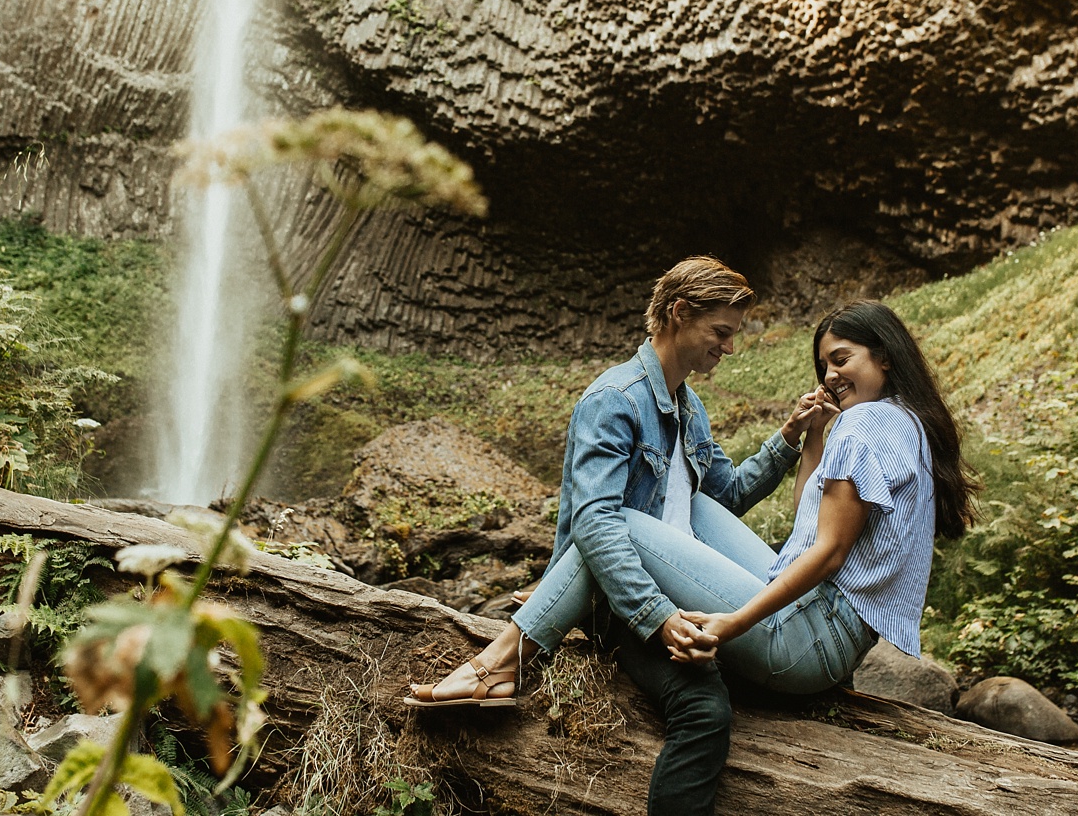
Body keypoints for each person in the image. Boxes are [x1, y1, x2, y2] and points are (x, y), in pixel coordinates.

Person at [407, 293, 980, 816]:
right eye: (826, 364)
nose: (830, 375)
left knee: (621, 521)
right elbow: (802, 517)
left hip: (812, 634)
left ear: (885, 357)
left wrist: (732, 624)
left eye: (841, 359)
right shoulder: (902, 421)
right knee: (680, 511)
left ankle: (508, 653)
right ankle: (571, 598)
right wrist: (807, 436)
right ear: (681, 314)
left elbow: (827, 554)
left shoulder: (866, 424)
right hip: (827, 626)